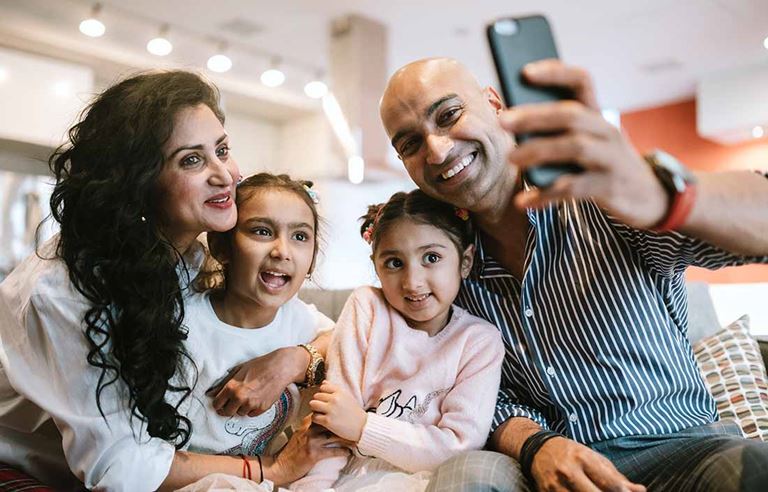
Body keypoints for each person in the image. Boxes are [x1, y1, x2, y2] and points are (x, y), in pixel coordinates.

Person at [377, 57, 768, 492]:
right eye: (410, 143)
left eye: (449, 115)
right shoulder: (441, 267)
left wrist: (660, 196)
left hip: (680, 450)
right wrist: (536, 445)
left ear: (494, 103)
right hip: (543, 466)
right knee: (466, 477)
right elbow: (467, 394)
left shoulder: (604, 199)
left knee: (754, 465)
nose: (436, 150)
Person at [0, 71, 342, 492]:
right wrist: (270, 469)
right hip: (25, 468)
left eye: (222, 150)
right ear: (138, 183)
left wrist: (294, 358)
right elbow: (122, 469)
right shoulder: (65, 290)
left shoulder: (187, 257)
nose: (226, 175)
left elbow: (345, 332)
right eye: (192, 160)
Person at [289, 189, 505, 491]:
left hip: (430, 481)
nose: (412, 282)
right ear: (375, 264)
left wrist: (364, 427)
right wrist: (313, 487)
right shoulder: (366, 307)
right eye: (394, 263)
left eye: (431, 258)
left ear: (465, 261)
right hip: (348, 476)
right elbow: (332, 418)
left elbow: (459, 445)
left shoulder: (480, 341)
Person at [180, 172, 347, 485]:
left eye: (300, 237)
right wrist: (270, 467)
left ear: (311, 259)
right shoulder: (185, 326)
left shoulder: (299, 319)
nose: (282, 251)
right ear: (221, 247)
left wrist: (294, 359)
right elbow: (149, 461)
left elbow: (348, 338)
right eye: (261, 231)